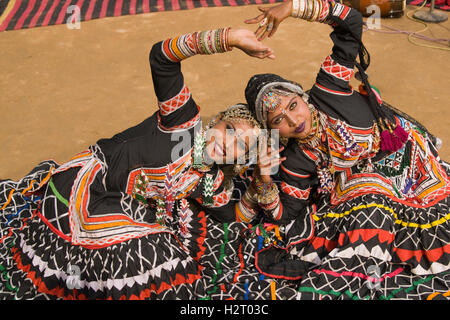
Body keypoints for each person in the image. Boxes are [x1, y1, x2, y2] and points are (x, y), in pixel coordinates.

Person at [0, 27, 278, 300]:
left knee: (171, 262)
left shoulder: (209, 180)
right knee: (146, 251)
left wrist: (263, 179)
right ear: (216, 121)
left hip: (118, 204)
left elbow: (232, 217)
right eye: (229, 130)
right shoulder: (183, 125)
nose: (228, 144)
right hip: (84, 187)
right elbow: (162, 58)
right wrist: (227, 38)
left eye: (241, 146)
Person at [240, 0, 450, 299]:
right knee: (368, 198)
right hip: (370, 185)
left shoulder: (329, 87)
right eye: (279, 120)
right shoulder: (298, 158)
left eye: (293, 105)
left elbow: (351, 24)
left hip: (409, 157)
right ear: (273, 130)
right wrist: (262, 179)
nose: (294, 119)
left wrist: (293, 8)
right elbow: (286, 214)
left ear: (302, 96)